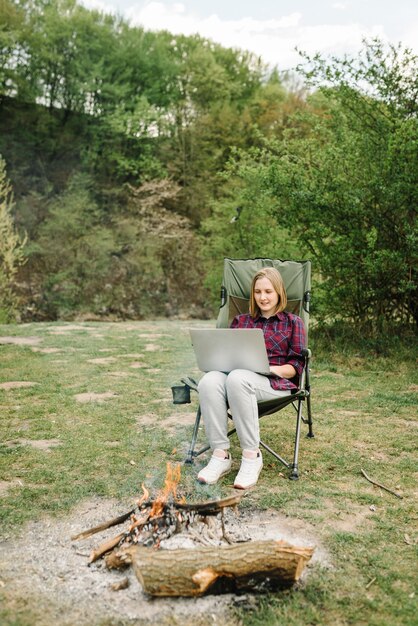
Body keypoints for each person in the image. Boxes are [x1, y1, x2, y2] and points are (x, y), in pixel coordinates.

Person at [197, 267, 306, 489]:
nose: (263, 297)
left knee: (238, 378)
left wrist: (271, 369)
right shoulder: (241, 321)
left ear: (279, 292)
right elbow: (228, 355)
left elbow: (296, 366)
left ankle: (251, 456)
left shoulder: (293, 322)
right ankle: (220, 456)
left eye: (268, 291)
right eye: (257, 292)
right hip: (237, 378)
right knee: (209, 381)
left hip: (275, 382)